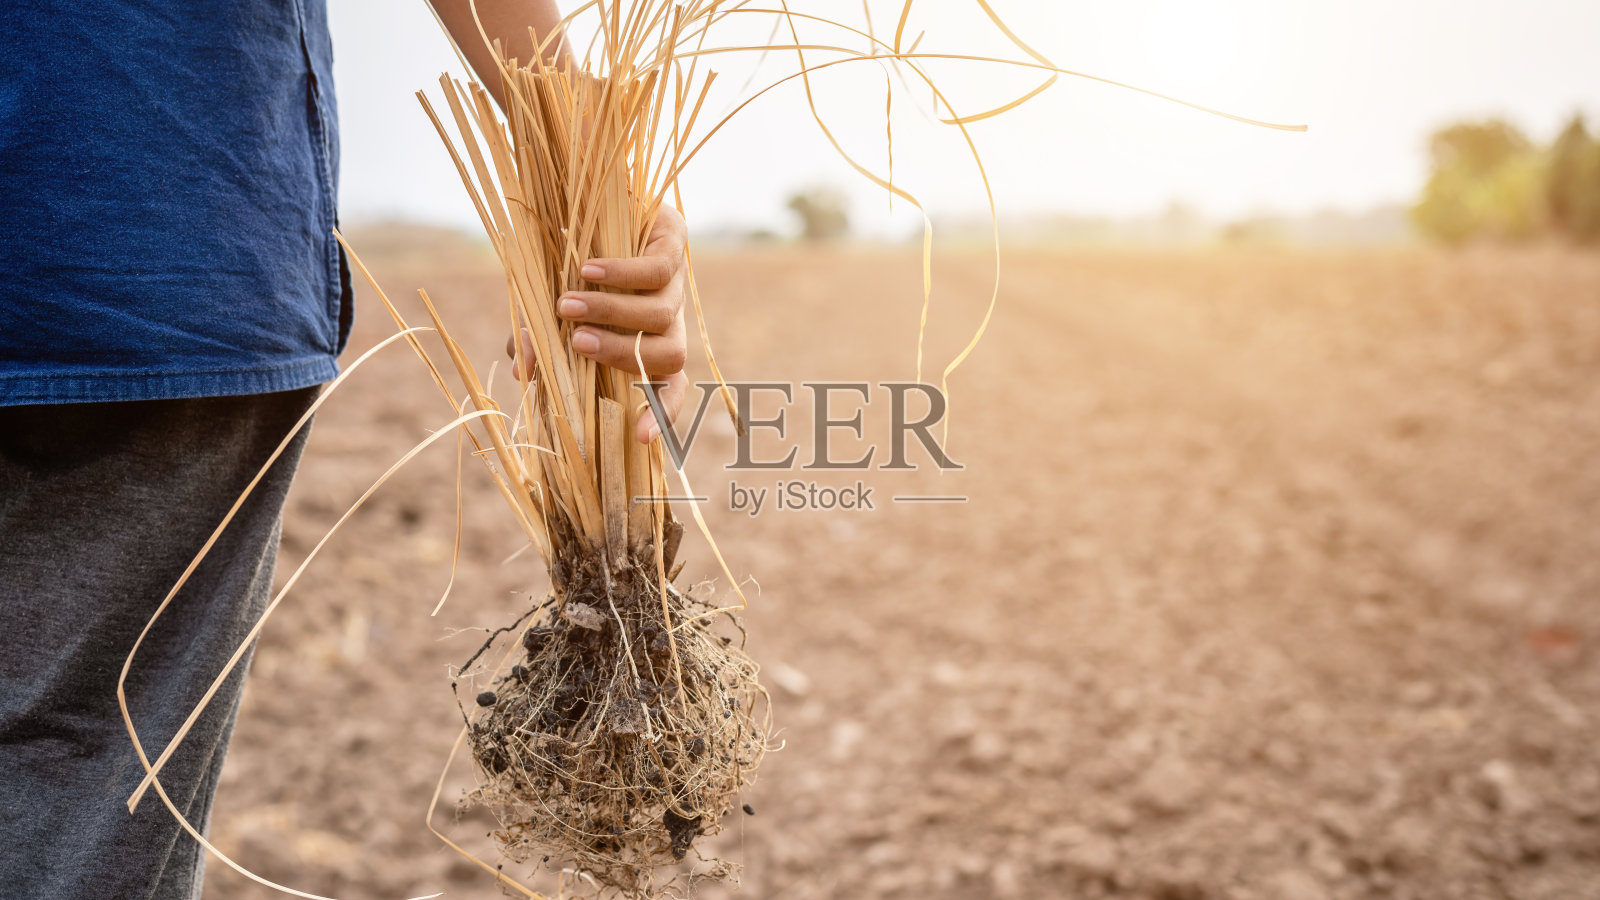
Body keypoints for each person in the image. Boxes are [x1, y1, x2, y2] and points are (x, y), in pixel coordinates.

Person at [0, 2, 687, 897]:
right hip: (135, 223)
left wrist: (585, 160)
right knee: (74, 828)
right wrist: (586, 164)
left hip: (125, 251)